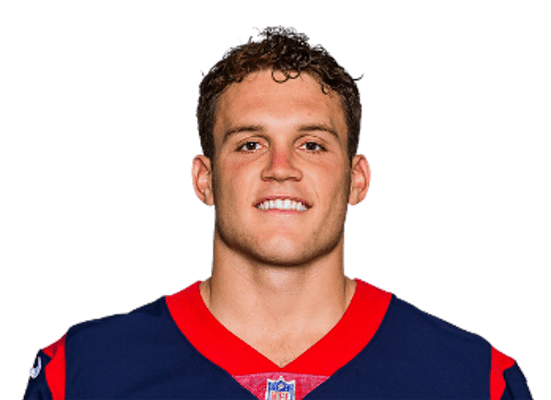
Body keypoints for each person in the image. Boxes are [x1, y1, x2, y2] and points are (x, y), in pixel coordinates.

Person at [22, 25, 533, 400]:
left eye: (312, 144)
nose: (280, 168)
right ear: (204, 179)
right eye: (250, 144)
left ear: (357, 179)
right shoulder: (83, 374)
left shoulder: (474, 379)